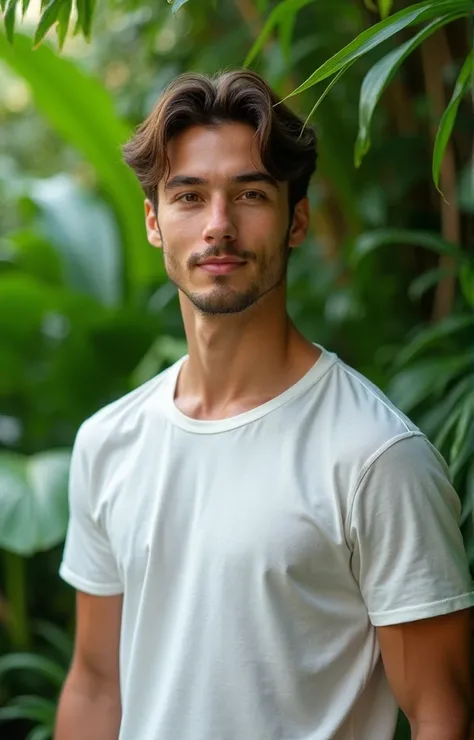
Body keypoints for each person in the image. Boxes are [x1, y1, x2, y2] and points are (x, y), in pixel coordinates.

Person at [55, 70, 473, 740]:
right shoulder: (108, 442)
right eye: (190, 197)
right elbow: (98, 686)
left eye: (250, 194)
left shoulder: (375, 457)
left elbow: (441, 713)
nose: (219, 226)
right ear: (155, 223)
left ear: (297, 220)